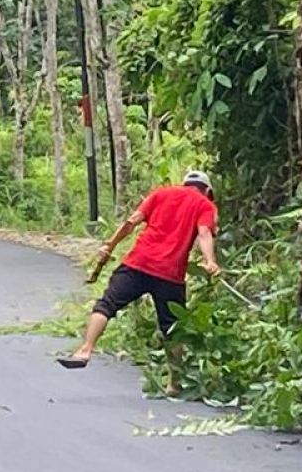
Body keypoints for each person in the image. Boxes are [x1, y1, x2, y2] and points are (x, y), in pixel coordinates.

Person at [58, 170, 221, 396]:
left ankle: (85, 349)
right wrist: (210, 261)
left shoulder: (161, 193)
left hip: (138, 263)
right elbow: (204, 233)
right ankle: (174, 384)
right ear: (207, 190)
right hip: (169, 274)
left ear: (184, 184)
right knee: (172, 328)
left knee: (106, 305)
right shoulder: (205, 205)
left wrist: (109, 246)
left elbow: (131, 222)